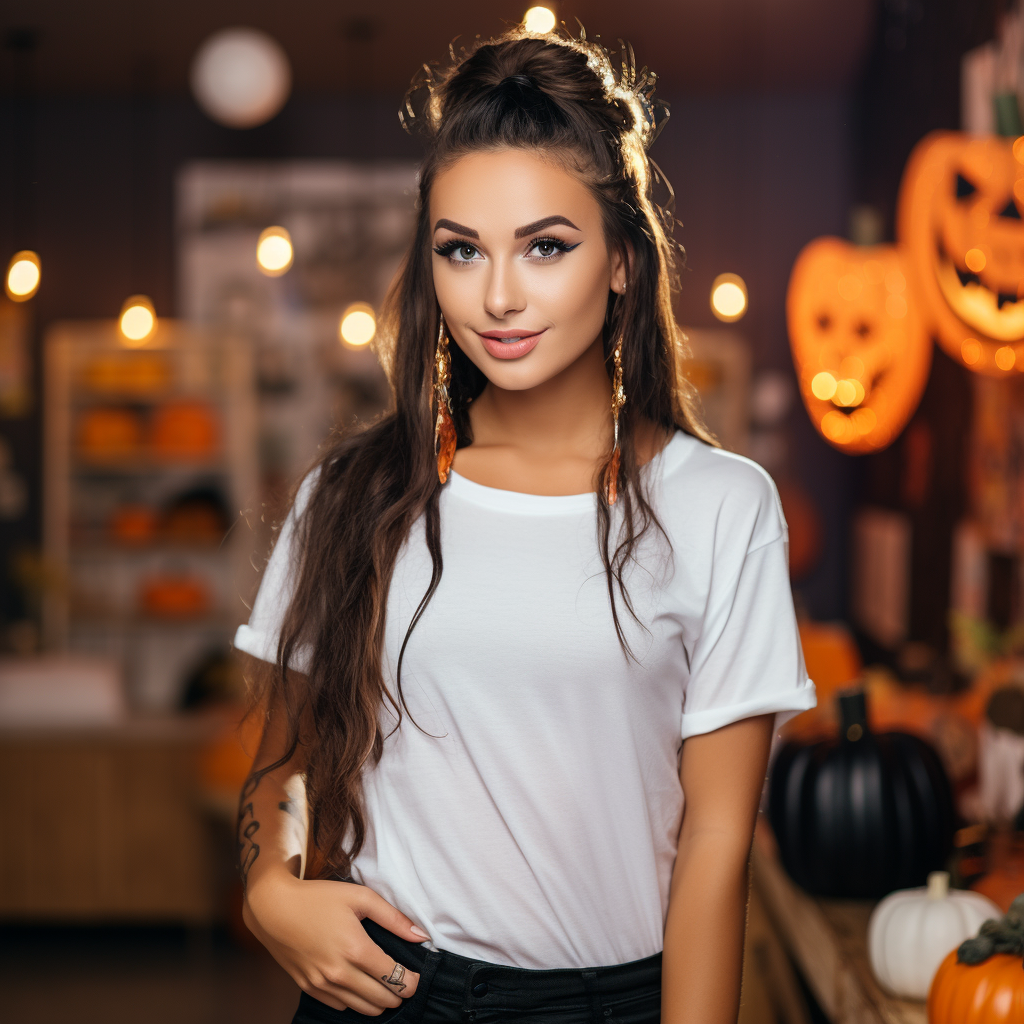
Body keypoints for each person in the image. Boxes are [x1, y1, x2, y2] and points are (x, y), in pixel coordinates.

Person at [233, 23, 816, 1024]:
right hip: (384, 994)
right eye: (461, 251)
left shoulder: (719, 508)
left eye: (546, 246)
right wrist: (269, 888)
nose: (498, 295)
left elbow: (716, 855)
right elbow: (280, 761)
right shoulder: (352, 494)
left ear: (623, 260)